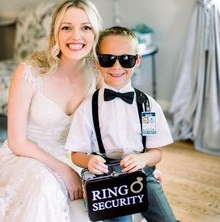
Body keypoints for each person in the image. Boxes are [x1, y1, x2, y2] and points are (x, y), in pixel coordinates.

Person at [0, 0, 102, 221]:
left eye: (85, 27)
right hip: (23, 155)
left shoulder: (98, 75)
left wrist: (141, 165)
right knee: (45, 188)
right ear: (55, 33)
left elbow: (108, 131)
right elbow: (17, 141)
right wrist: (64, 170)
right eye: (66, 27)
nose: (76, 36)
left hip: (74, 157)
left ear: (95, 33)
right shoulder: (28, 73)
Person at [65, 26, 177, 222]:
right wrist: (89, 160)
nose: (117, 67)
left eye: (126, 59)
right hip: (106, 180)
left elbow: (156, 152)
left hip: (142, 174)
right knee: (120, 218)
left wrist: (143, 159)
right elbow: (76, 154)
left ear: (137, 60)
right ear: (97, 61)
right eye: (108, 59)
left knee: (166, 218)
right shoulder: (87, 108)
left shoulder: (148, 106)